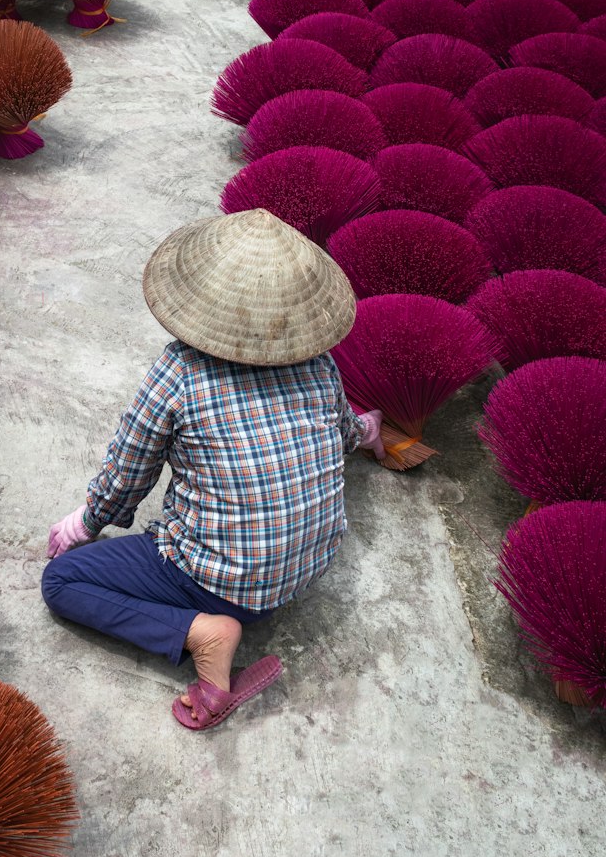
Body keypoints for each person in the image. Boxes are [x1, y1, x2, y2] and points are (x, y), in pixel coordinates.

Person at [42, 209, 384, 732]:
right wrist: (368, 431)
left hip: (221, 584)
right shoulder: (319, 365)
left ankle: (203, 634)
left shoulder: (180, 369)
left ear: (203, 299)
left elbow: (131, 471)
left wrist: (85, 523)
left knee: (63, 582)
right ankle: (219, 617)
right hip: (306, 570)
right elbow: (341, 433)